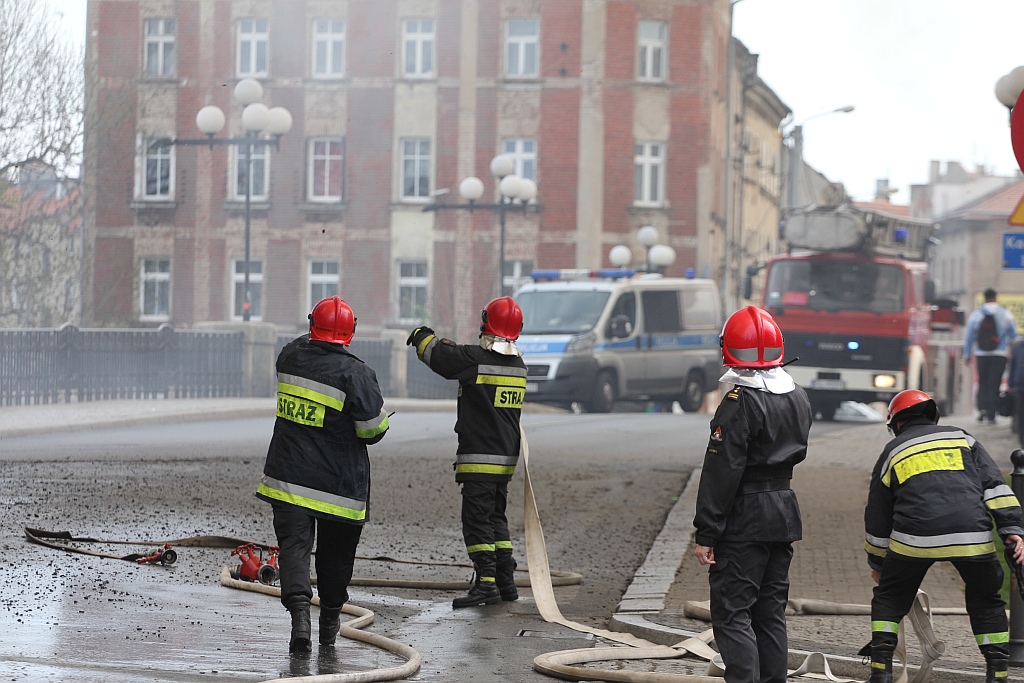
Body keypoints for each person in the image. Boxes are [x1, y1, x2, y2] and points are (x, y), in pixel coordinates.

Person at [256, 296, 390, 653]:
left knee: (294, 551)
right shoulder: (357, 374)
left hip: (289, 480)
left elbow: (304, 342)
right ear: (351, 332)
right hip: (339, 488)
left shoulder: (289, 356)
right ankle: (329, 626)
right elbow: (372, 432)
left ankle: (300, 618)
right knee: (335, 558)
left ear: (311, 324)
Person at [864, 389, 1024, 683]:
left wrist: (878, 563)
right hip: (971, 537)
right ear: (932, 416)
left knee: (889, 598)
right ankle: (998, 673)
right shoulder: (964, 438)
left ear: (897, 423)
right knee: (987, 600)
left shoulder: (893, 451)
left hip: (913, 540)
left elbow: (878, 514)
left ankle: (881, 672)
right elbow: (995, 486)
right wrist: (1012, 529)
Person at [693, 305, 813, 683]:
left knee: (731, 613)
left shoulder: (739, 403)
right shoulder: (798, 395)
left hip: (745, 518)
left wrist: (707, 532)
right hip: (783, 512)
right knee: (769, 614)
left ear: (729, 349)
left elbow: (721, 471)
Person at [407, 296, 528, 608]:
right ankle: (505, 581)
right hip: (505, 460)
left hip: (479, 458)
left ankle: (486, 583)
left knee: (476, 521)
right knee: (496, 518)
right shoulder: (519, 365)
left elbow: (443, 357)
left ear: (486, 324)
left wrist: (422, 336)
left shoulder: (477, 360)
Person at [963, 288, 1016, 424]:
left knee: (982, 382)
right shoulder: (1005, 314)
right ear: (995, 298)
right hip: (1000, 354)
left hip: (981, 354)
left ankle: (982, 410)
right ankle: (992, 414)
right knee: (995, 383)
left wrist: (967, 354)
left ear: (985, 298)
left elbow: (969, 336)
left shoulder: (976, 315)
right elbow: (1013, 335)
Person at [1010, 337, 1024, 448]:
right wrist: (1011, 383)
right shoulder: (1019, 345)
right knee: (1021, 417)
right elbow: (1013, 365)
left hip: (1020, 385)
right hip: (1020, 387)